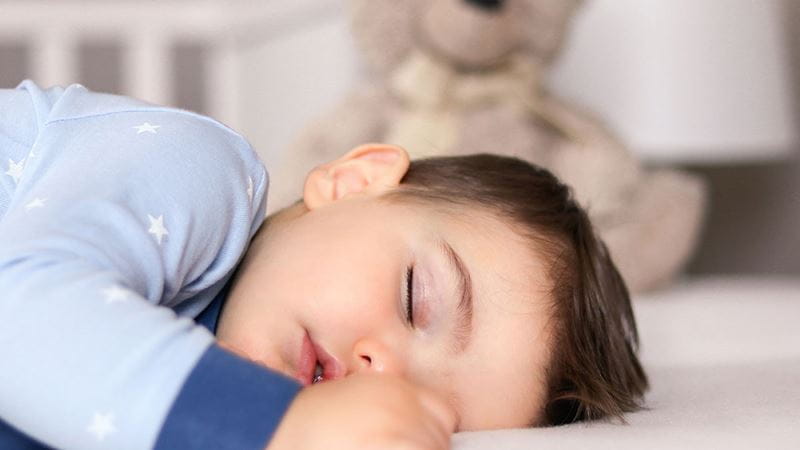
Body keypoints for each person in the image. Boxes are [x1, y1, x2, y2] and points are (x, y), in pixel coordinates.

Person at [0, 80, 648, 450]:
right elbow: (18, 313)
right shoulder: (202, 174)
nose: (381, 371)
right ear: (352, 180)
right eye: (415, 297)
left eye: (412, 401)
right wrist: (279, 422)